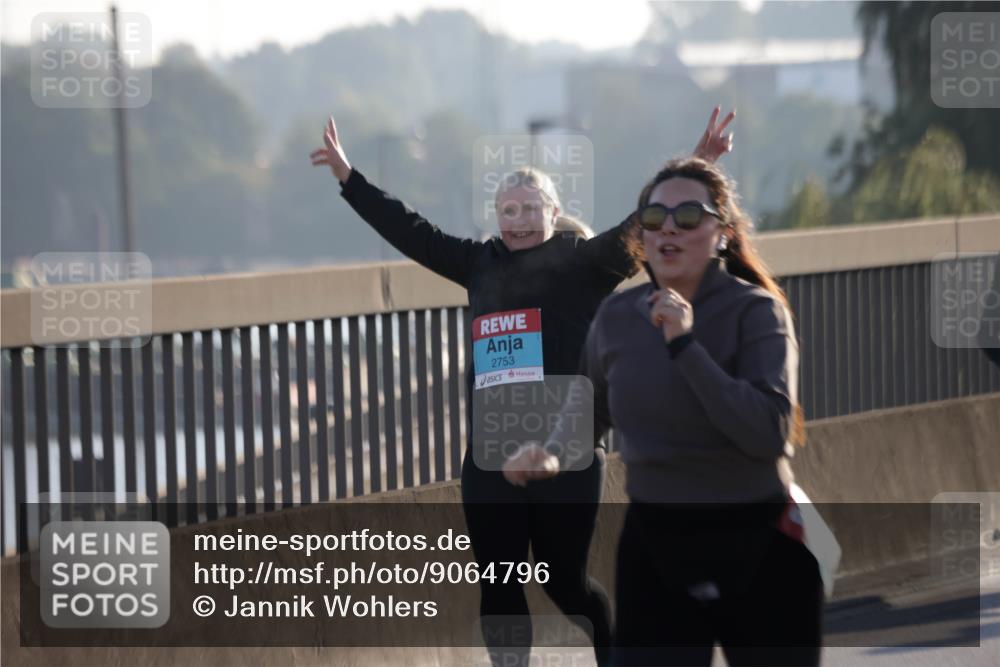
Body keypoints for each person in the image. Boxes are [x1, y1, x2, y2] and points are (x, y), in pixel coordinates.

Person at [310, 109, 735, 667]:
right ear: (495, 218)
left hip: (568, 450)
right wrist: (349, 177)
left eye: (530, 210)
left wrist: (701, 164)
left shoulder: (585, 263)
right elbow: (409, 230)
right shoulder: (477, 263)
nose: (518, 221)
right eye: (508, 211)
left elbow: (645, 227)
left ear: (553, 214)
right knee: (501, 586)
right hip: (493, 453)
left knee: (566, 585)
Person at [507, 157, 823, 666]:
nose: (669, 228)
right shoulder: (616, 317)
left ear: (721, 232)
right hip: (656, 542)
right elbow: (591, 410)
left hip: (760, 541)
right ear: (642, 236)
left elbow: (768, 433)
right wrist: (550, 455)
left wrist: (685, 345)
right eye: (654, 218)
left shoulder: (758, 312)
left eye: (688, 216)